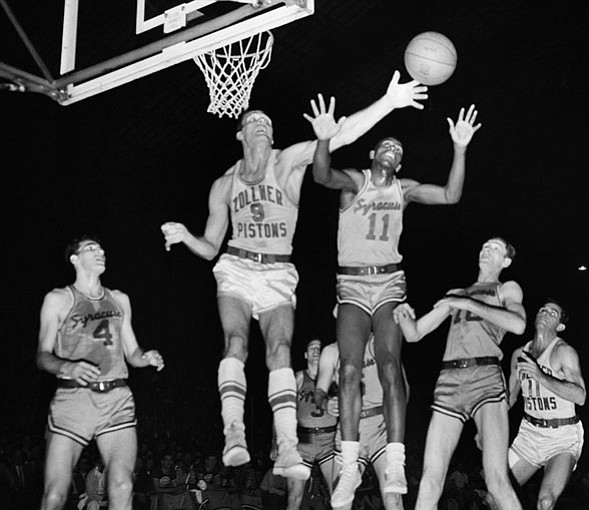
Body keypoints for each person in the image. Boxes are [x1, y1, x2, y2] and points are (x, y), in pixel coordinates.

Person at [160, 70, 427, 481]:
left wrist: (388, 101)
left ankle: (286, 445)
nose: (263, 124)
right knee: (235, 342)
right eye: (254, 120)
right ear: (240, 134)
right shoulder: (223, 184)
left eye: (267, 121)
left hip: (277, 272)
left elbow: (340, 136)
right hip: (235, 265)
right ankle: (234, 431)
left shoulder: (286, 162)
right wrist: (186, 237)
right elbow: (211, 245)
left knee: (281, 350)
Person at [309, 102, 482, 506]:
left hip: (389, 281)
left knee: (389, 364)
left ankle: (397, 460)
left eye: (399, 150)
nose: (394, 150)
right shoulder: (355, 181)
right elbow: (320, 174)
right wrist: (323, 139)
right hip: (351, 283)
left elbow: (452, 195)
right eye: (387, 145)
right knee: (349, 369)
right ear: (372, 155)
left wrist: (459, 148)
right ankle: (349, 465)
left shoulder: (404, 190)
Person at [393, 237, 526, 510]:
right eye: (484, 246)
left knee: (497, 481)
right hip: (449, 382)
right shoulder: (457, 292)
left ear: (506, 261)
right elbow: (415, 333)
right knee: (430, 479)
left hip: (486, 377)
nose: (486, 250)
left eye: (495, 249)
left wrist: (470, 305)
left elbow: (518, 324)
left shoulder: (506, 288)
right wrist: (401, 312)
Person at [37, 235, 165, 510]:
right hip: (73, 400)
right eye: (91, 248)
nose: (100, 251)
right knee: (55, 495)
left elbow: (132, 352)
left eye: (102, 248)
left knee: (122, 484)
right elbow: (43, 356)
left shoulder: (120, 299)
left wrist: (146, 357)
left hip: (116, 398)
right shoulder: (58, 299)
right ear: (74, 258)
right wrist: (66, 366)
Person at [506, 299, 586, 510]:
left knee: (545, 501)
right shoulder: (518, 355)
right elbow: (509, 399)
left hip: (562, 436)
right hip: (529, 435)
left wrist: (541, 376)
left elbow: (580, 396)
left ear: (560, 326)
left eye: (553, 312)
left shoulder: (564, 352)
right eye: (542, 309)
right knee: (495, 496)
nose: (545, 313)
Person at [315, 334, 408, 510]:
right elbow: (319, 391)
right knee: (341, 503)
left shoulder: (380, 341)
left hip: (381, 428)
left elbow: (403, 387)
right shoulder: (332, 351)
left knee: (393, 499)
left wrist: (395, 422)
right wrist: (326, 402)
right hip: (350, 432)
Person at [287, 339, 338, 510]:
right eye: (312, 347)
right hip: (303, 441)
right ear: (306, 354)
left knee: (339, 495)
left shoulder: (335, 377)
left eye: (319, 348)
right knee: (294, 497)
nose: (316, 350)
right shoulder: (299, 377)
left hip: (329, 441)